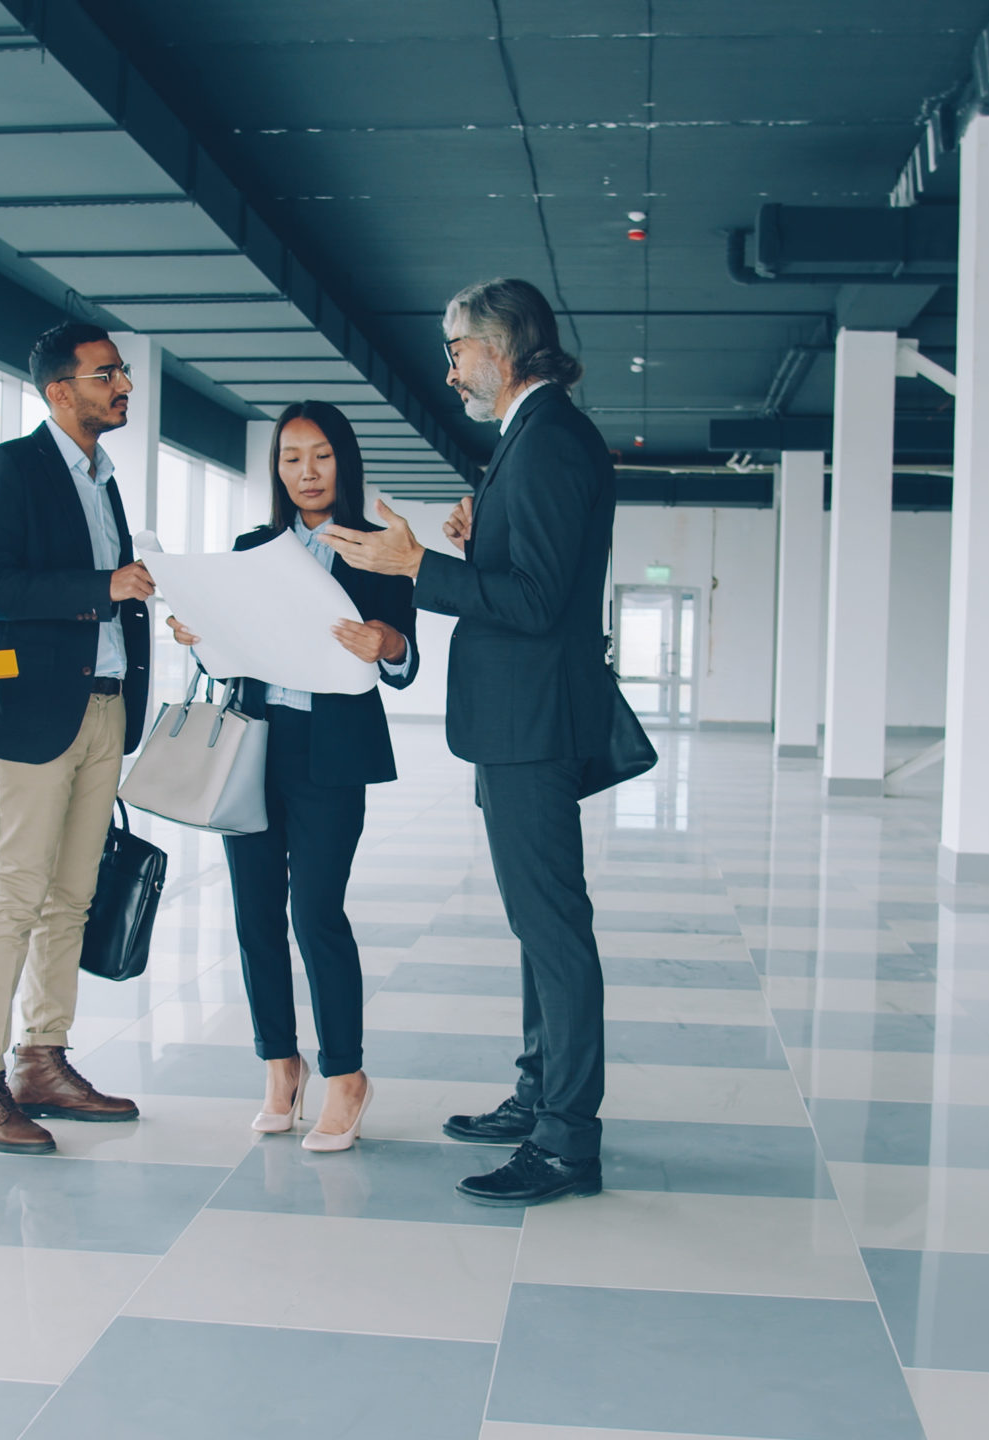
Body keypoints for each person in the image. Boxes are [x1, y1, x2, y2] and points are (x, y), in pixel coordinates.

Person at [323, 277, 615, 1207]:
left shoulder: (552, 441)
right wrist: (475, 539)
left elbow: (535, 604)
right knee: (540, 927)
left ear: (501, 349)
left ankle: (567, 1140)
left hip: (531, 723)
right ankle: (540, 1096)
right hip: (517, 720)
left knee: (554, 930)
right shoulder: (531, 440)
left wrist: (420, 566)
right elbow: (534, 574)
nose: (448, 369)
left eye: (457, 350)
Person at [165, 402, 418, 1152]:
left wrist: (385, 641)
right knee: (253, 918)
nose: (305, 473)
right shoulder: (253, 546)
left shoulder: (379, 547)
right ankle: (281, 1064)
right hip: (254, 743)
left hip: (332, 749)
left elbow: (403, 660)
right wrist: (199, 638)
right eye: (290, 459)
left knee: (315, 913)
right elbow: (229, 655)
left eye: (320, 457)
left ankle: (346, 1076)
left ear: (344, 462)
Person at [0, 322, 152, 1154]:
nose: (124, 386)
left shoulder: (103, 481)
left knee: (72, 894)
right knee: (16, 893)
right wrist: (103, 586)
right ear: (60, 390)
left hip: (103, 706)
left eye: (123, 374)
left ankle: (42, 1056)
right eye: (108, 374)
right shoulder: (14, 467)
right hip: (32, 714)